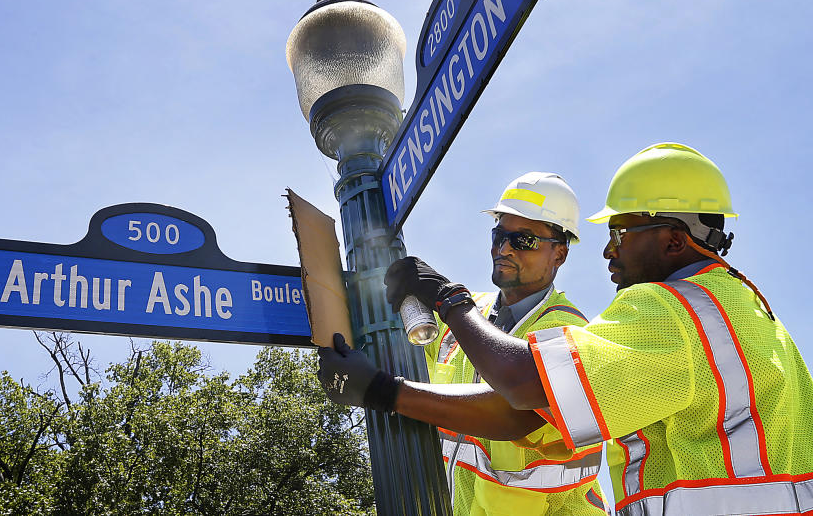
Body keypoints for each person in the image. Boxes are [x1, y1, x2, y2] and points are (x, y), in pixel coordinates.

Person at [318, 143, 813, 516]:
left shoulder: (661, 314)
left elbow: (523, 397)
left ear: (675, 241)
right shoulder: (745, 311)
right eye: (500, 234)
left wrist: (389, 381)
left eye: (524, 238)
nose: (609, 250)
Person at [422, 172, 608, 514]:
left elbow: (512, 410)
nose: (503, 249)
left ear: (560, 254)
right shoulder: (464, 315)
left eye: (523, 240)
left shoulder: (568, 332)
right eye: (499, 235)